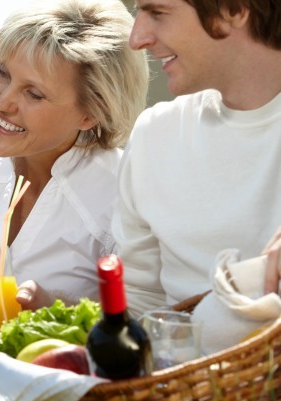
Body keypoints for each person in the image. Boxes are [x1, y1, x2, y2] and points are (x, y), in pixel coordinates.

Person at [0, 0, 149, 348]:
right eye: (2, 73)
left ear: (90, 114)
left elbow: (149, 326)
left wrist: (54, 318)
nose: (2, 102)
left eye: (33, 93)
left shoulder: (122, 191)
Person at [113, 0, 281, 316]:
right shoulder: (155, 133)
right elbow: (137, 302)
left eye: (158, 13)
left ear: (235, 9)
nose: (137, 39)